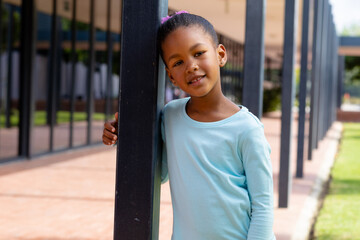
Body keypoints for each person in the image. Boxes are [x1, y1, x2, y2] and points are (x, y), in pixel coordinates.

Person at [103, 11, 275, 240]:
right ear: (171, 77)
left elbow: (263, 205)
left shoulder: (247, 129)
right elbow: (160, 173)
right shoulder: (171, 116)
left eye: (199, 53)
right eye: (178, 62)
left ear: (221, 54)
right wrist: (122, 136)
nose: (191, 66)